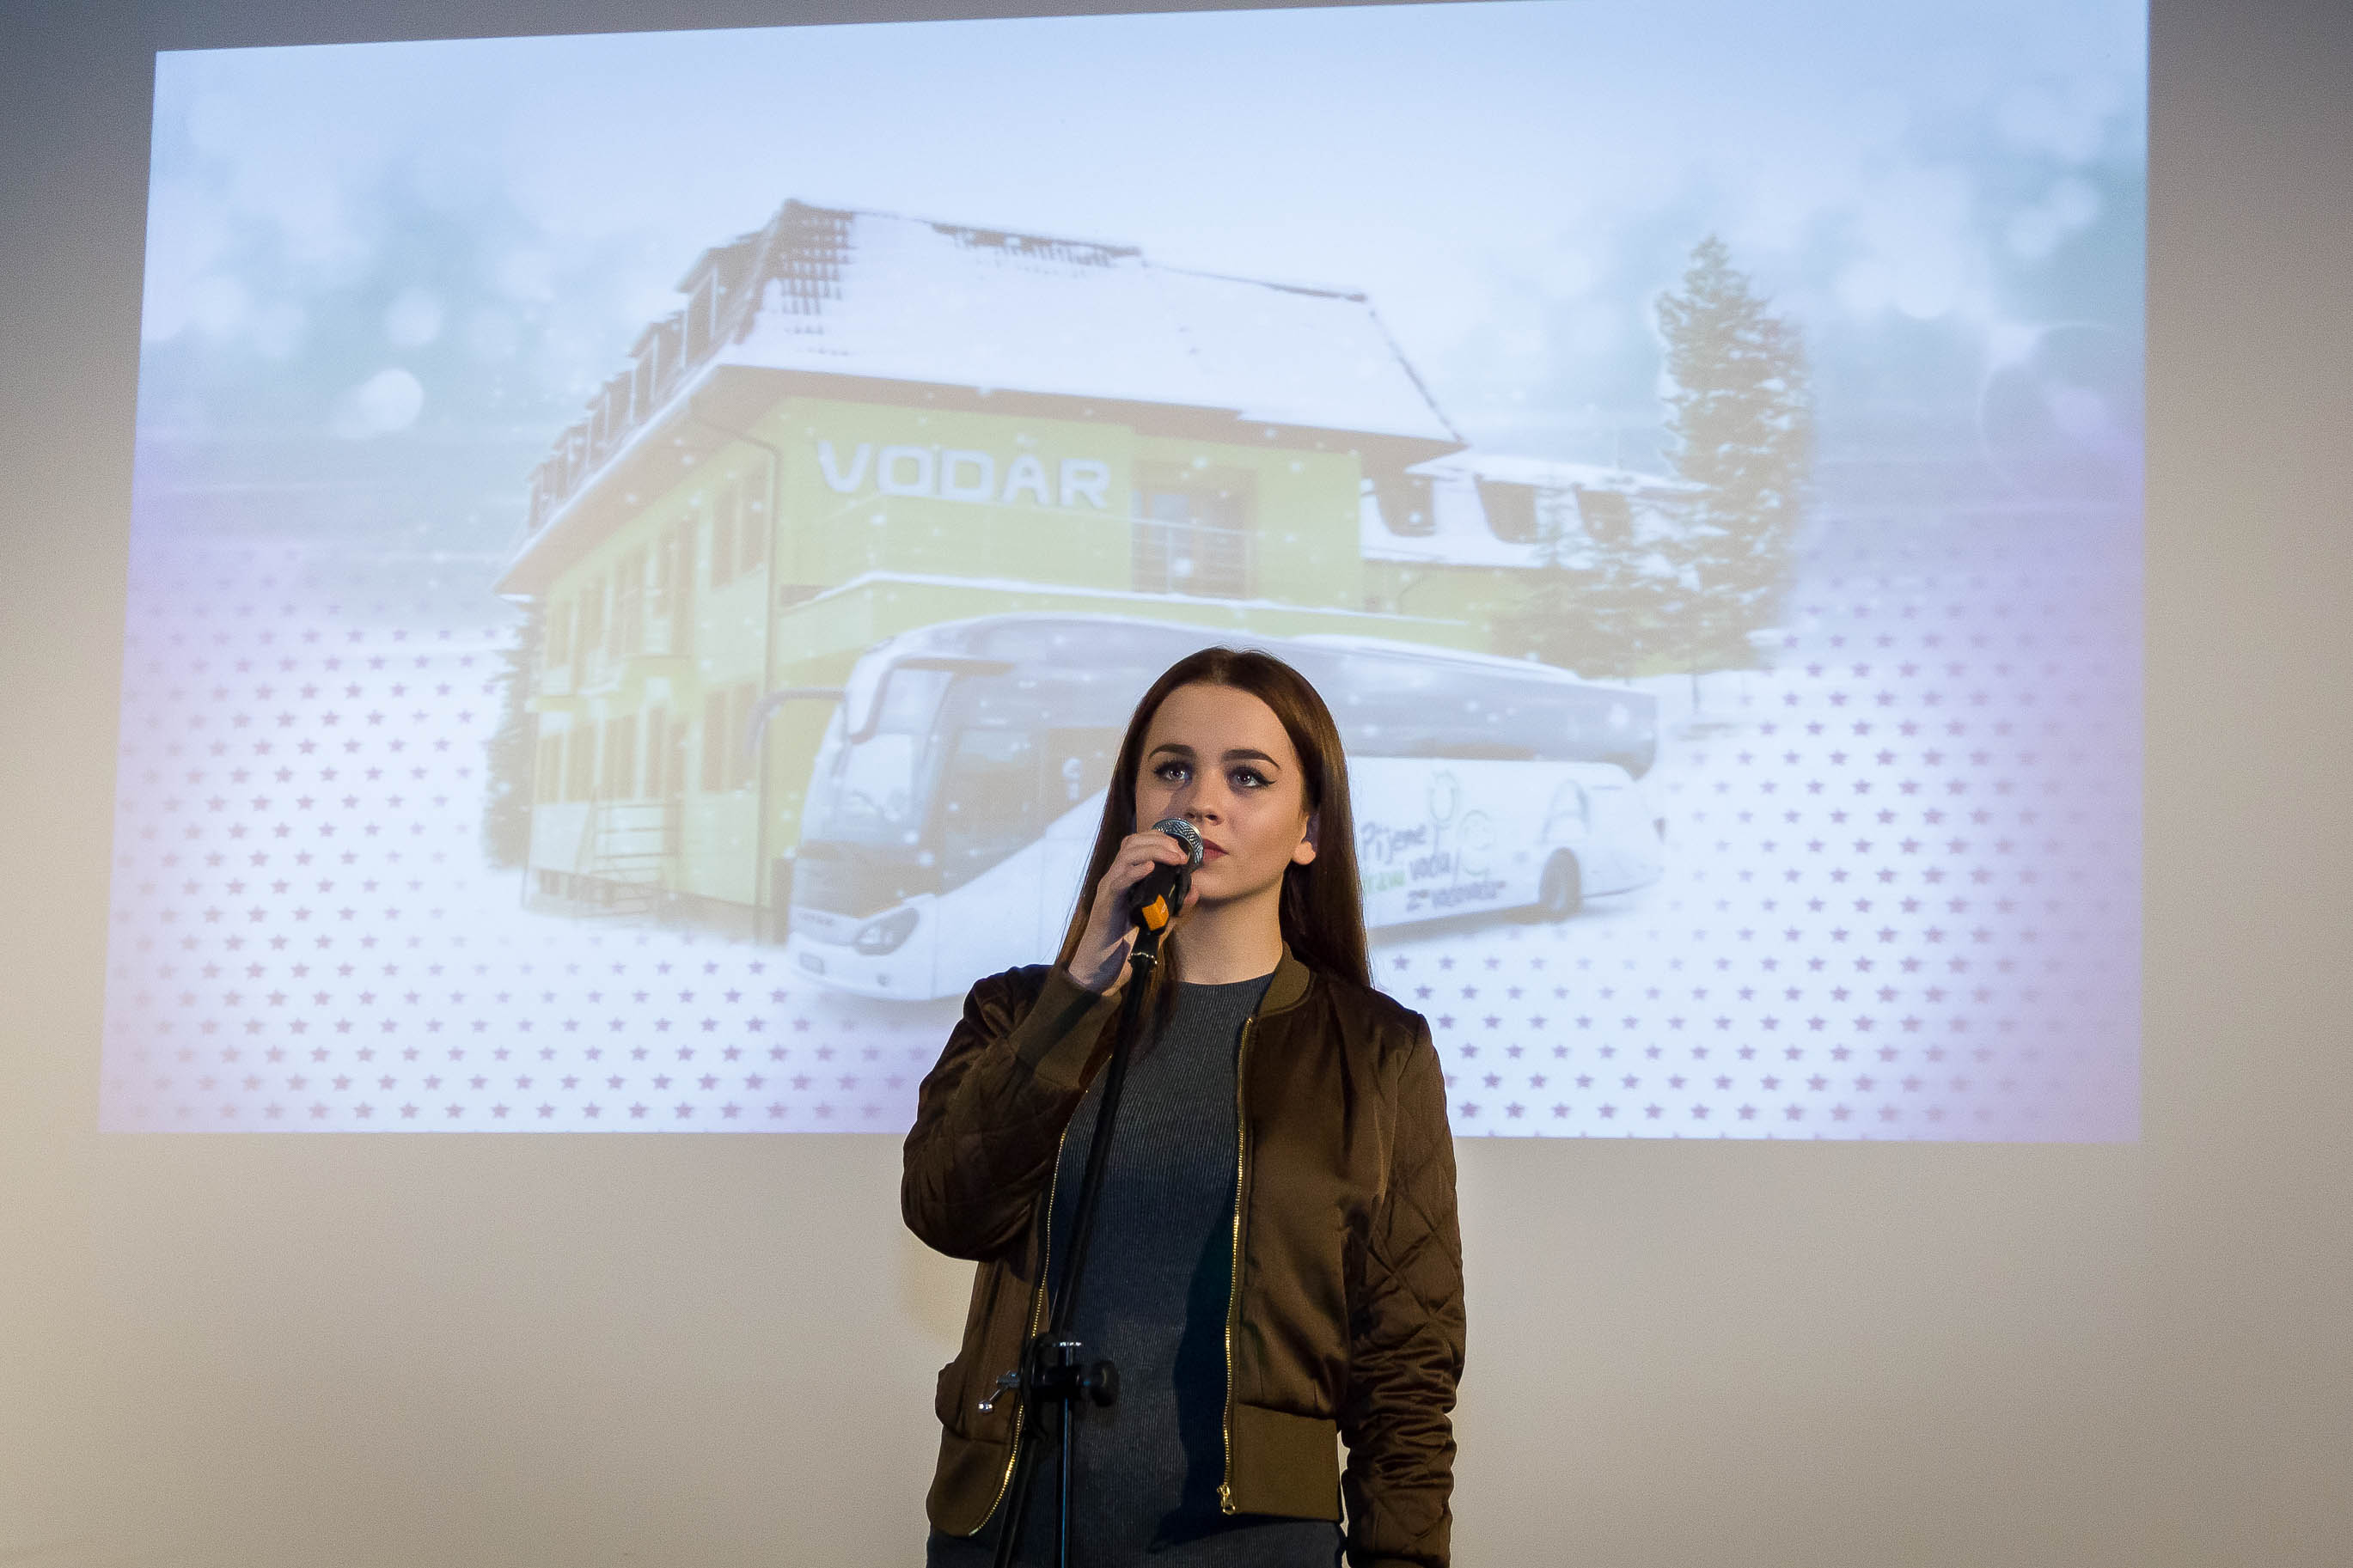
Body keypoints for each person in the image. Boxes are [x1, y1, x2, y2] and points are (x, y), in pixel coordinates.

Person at [903, 647, 1464, 1568]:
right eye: (1171, 769)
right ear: (1132, 803)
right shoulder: (1017, 1012)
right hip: (1013, 1531)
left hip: (1253, 1544)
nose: (1200, 802)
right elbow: (945, 1208)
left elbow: (1406, 1366)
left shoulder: (1376, 1052)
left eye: (1247, 777)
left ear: (1310, 829)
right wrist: (1077, 994)